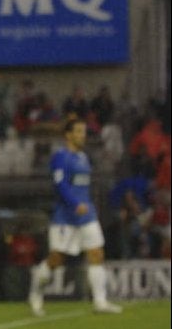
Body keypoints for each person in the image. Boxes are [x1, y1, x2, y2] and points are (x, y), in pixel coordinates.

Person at [28, 115, 122, 316]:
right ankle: (36, 292)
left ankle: (100, 302)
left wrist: (85, 204)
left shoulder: (83, 157)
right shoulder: (61, 157)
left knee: (96, 254)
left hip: (86, 215)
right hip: (65, 217)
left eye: (84, 131)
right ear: (68, 135)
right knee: (56, 260)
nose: (83, 135)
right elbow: (60, 185)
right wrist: (74, 203)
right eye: (79, 131)